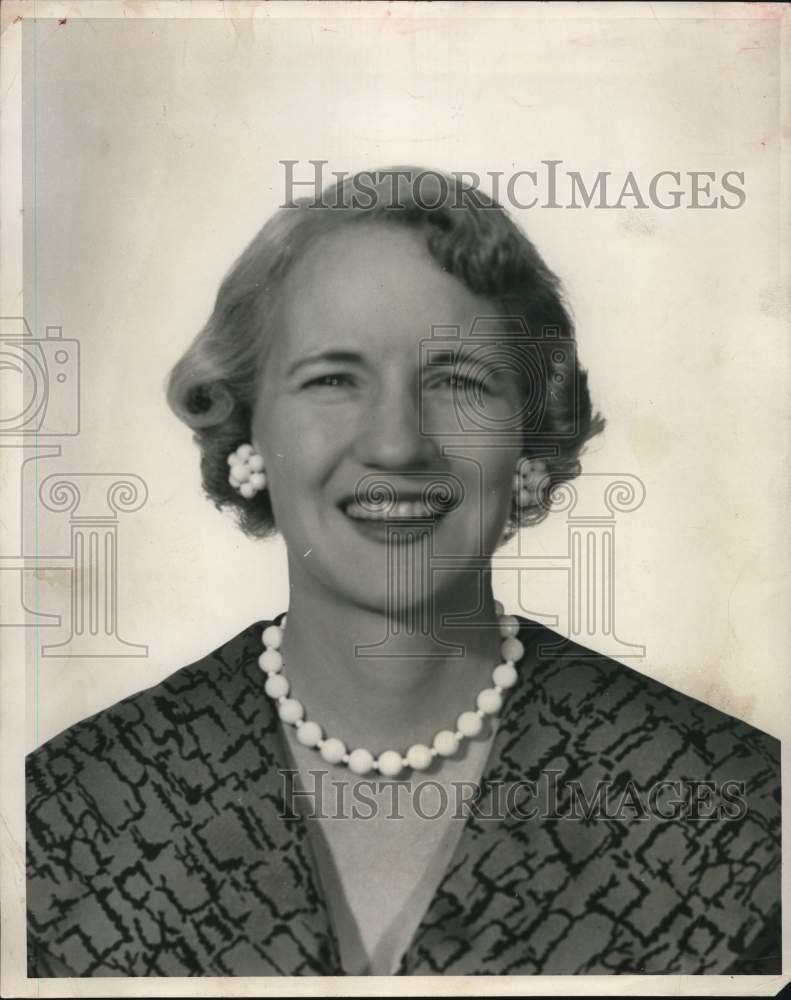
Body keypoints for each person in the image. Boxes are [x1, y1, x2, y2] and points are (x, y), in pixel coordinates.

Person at [26, 168, 780, 977]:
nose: (395, 444)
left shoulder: (742, 814)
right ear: (247, 427)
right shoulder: (66, 812)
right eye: (332, 379)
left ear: (528, 437)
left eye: (456, 381)